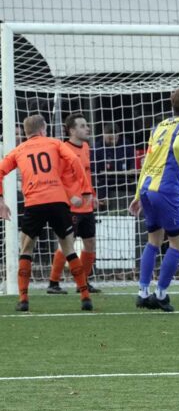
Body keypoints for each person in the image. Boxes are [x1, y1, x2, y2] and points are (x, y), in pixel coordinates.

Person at [0, 114, 93, 312]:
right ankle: (85, 296)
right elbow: (75, 162)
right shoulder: (55, 143)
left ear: (26, 133)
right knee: (68, 248)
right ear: (43, 129)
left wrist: (1, 200)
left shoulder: (18, 150)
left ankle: (24, 299)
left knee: (26, 249)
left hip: (34, 203)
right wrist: (85, 191)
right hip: (58, 201)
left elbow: (0, 171)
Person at [129, 87, 179, 312]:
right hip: (166, 188)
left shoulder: (160, 126)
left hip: (148, 187)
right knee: (178, 242)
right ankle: (160, 294)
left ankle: (142, 292)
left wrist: (138, 194)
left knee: (154, 240)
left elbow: (147, 161)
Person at [47, 112, 101, 295]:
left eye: (87, 125)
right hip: (71, 207)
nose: (87, 128)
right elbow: (57, 177)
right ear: (71, 130)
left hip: (87, 205)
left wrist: (91, 195)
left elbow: (86, 174)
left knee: (90, 243)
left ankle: (82, 282)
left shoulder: (86, 146)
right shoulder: (62, 150)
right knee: (66, 244)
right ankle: (53, 282)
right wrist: (70, 197)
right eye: (82, 125)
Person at [93, 122, 135, 208]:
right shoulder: (97, 147)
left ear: (118, 135)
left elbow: (132, 161)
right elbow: (94, 169)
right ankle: (103, 208)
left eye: (114, 138)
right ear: (104, 135)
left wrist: (132, 168)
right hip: (104, 181)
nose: (112, 141)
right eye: (109, 138)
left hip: (123, 178)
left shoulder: (126, 145)